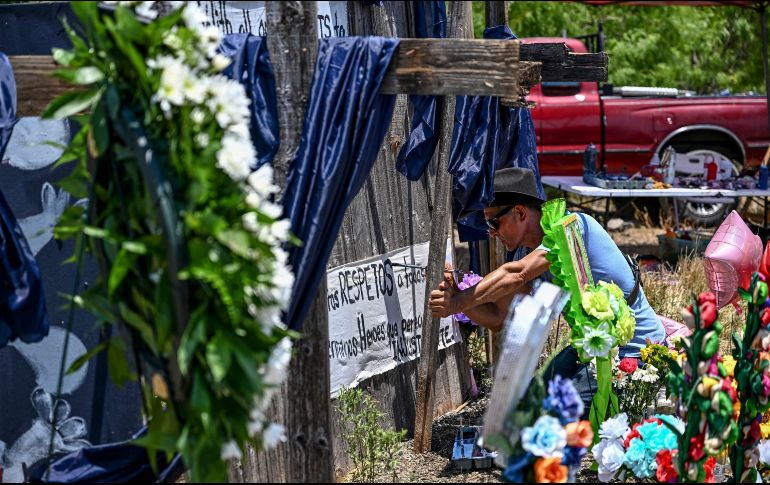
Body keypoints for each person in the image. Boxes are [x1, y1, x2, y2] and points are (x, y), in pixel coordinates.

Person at [429, 167, 665, 412]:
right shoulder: (532, 253)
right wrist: (457, 297)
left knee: (552, 419)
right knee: (525, 410)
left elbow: (515, 272)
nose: (491, 232)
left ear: (520, 212)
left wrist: (458, 303)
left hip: (635, 353)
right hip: (594, 349)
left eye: (494, 222)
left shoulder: (572, 228)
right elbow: (500, 318)